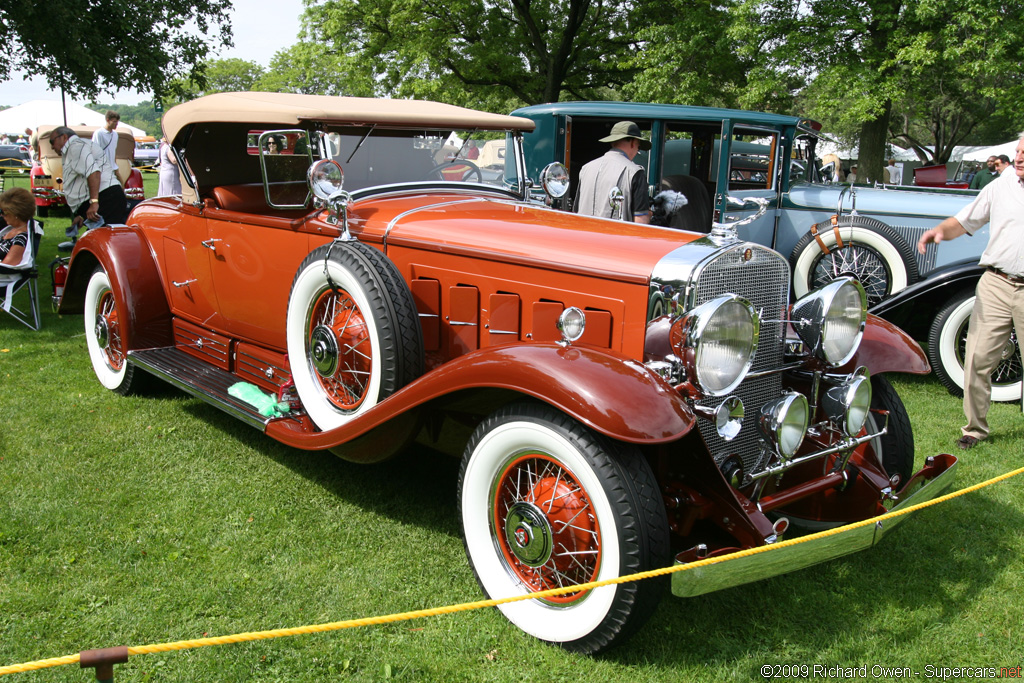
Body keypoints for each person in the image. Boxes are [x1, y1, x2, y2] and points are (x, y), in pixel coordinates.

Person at [916, 135, 1024, 450]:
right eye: (1018, 151)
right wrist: (939, 231)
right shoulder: (999, 187)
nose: (1019, 157)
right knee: (976, 359)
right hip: (997, 283)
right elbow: (964, 222)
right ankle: (974, 430)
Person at [48, 126, 129, 231]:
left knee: (99, 241)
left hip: (106, 198)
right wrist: (82, 215)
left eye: (52, 141)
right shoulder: (81, 145)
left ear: (64, 137)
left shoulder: (76, 147)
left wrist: (94, 203)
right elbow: (82, 178)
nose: (52, 147)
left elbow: (93, 172)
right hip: (106, 198)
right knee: (96, 240)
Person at [575, 121, 651, 223]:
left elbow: (576, 211)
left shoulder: (586, 169)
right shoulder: (634, 172)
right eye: (638, 146)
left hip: (583, 236)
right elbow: (640, 221)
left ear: (612, 142)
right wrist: (648, 215)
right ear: (633, 143)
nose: (637, 150)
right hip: (615, 238)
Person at [0, 187, 38, 266]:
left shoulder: (21, 238)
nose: (1, 215)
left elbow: (7, 264)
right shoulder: (10, 230)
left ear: (16, 213)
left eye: (4, 212)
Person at [91, 111, 121, 179]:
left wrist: (115, 166)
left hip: (113, 168)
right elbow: (94, 151)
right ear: (108, 120)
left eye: (117, 122)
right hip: (102, 168)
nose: (116, 124)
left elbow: (113, 151)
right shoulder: (99, 133)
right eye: (114, 121)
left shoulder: (115, 134)